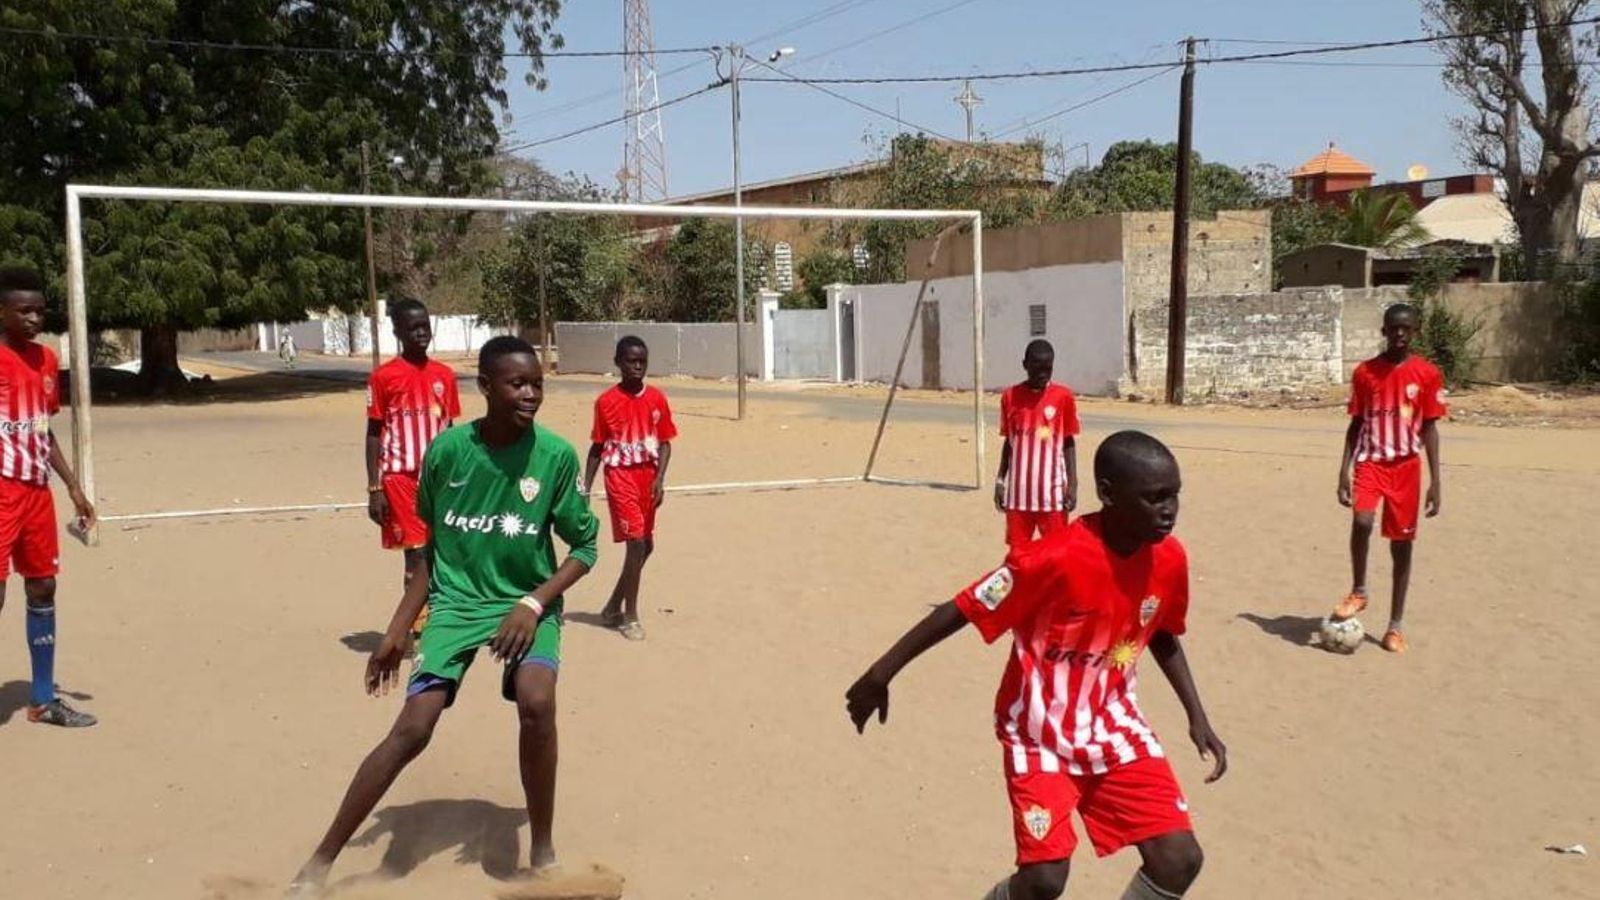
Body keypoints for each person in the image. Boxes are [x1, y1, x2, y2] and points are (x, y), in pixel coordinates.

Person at [847, 431, 1226, 900]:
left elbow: (1161, 631)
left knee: (1180, 859)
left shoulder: (1169, 559)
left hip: (1114, 727)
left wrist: (1197, 715)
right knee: (1045, 880)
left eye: (1174, 496)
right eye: (1153, 498)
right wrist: (881, 673)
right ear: (1108, 494)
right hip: (1038, 735)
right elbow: (963, 608)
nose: (1168, 509)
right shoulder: (1051, 559)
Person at [291, 336, 598, 894]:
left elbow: (584, 550)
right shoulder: (448, 452)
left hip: (527, 601)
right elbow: (431, 555)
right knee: (412, 729)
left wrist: (532, 603)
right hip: (456, 605)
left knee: (536, 701)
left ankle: (544, 848)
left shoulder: (555, 456)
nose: (531, 394)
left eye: (537, 384)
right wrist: (395, 631)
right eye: (517, 383)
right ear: (484, 387)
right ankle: (318, 863)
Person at [0, 266, 98, 727]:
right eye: (24, 311)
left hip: (36, 492)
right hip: (1, 493)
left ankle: (42, 699)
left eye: (39, 311)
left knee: (43, 586)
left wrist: (73, 485)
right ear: (3, 312)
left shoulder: (44, 360)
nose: (34, 319)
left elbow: (44, 428)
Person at [1332, 302, 1446, 654]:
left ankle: (1395, 626)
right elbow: (1356, 423)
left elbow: (1429, 427)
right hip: (1370, 462)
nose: (1399, 333)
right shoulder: (1365, 373)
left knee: (1402, 546)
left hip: (1406, 468)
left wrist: (1436, 480)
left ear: (1415, 332)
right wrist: (1343, 469)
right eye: (1393, 328)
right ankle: (1359, 591)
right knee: (1362, 520)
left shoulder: (1427, 375)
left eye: (1406, 328)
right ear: (1383, 331)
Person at [364, 299, 460, 640]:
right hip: (400, 478)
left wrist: (457, 475)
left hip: (438, 479)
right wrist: (374, 488)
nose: (421, 333)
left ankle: (434, 615)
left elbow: (449, 430)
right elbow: (374, 432)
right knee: (416, 552)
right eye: (413, 328)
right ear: (397, 332)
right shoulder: (383, 377)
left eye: (425, 326)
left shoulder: (445, 376)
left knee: (442, 548)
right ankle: (417, 626)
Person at [583, 335, 676, 642]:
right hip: (619, 477)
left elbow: (664, 443)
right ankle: (630, 616)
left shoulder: (657, 399)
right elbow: (597, 447)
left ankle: (612, 606)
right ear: (618, 362)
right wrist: (586, 487)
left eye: (642, 362)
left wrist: (659, 478)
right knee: (635, 543)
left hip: (646, 479)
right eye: (631, 361)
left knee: (646, 546)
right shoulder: (606, 402)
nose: (637, 367)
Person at [995, 339, 1080, 548]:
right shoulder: (1009, 397)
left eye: (1048, 368)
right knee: (1018, 557)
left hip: (1052, 496)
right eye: (1037, 368)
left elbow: (1068, 441)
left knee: (1056, 554)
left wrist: (1073, 483)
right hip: (1018, 496)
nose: (1043, 374)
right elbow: (1010, 441)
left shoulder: (1063, 397)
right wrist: (999, 480)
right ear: (1025, 365)